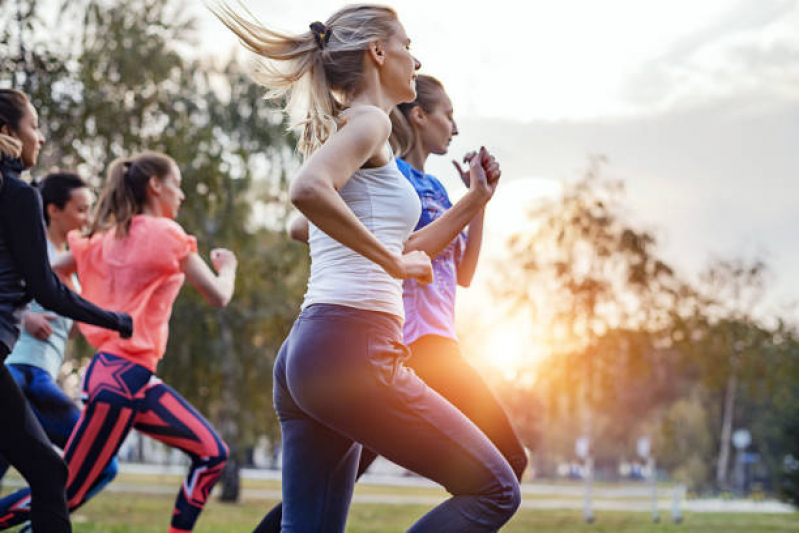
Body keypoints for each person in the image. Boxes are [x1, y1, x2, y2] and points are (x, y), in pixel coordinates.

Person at [212, 4, 521, 531]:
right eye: (407, 45)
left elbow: (408, 243)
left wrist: (473, 202)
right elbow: (307, 191)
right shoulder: (372, 120)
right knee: (496, 489)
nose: (415, 59)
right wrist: (392, 262)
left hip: (310, 354)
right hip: (355, 348)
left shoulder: (355, 127)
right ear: (378, 52)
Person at [0, 151, 237, 533]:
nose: (183, 195)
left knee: (212, 454)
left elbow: (43, 271)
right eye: (177, 184)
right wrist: (229, 268)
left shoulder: (103, 238)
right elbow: (218, 296)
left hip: (132, 378)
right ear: (156, 186)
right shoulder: (168, 234)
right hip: (118, 380)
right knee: (65, 491)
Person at [0, 88, 132, 532]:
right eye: (33, 126)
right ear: (7, 132)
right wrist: (115, 320)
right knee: (50, 470)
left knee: (47, 468)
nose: (38, 137)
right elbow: (48, 289)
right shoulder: (17, 196)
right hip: (16, 367)